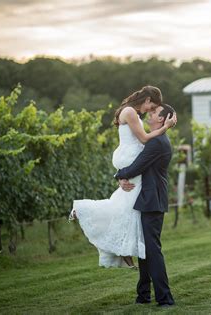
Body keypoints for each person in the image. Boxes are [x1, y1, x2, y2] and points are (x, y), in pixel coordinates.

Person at [69, 86, 176, 269]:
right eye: (152, 107)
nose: (151, 111)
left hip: (130, 158)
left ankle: (125, 250)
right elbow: (143, 139)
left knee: (125, 205)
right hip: (130, 157)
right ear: (148, 100)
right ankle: (83, 209)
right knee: (124, 205)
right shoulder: (130, 112)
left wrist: (121, 176)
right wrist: (165, 127)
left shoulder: (131, 112)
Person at [115, 103, 176, 307]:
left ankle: (165, 298)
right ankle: (143, 295)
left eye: (154, 113)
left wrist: (118, 175)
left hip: (152, 201)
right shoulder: (158, 139)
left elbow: (137, 166)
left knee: (152, 249)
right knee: (145, 248)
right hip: (151, 199)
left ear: (161, 119)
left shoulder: (157, 142)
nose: (149, 114)